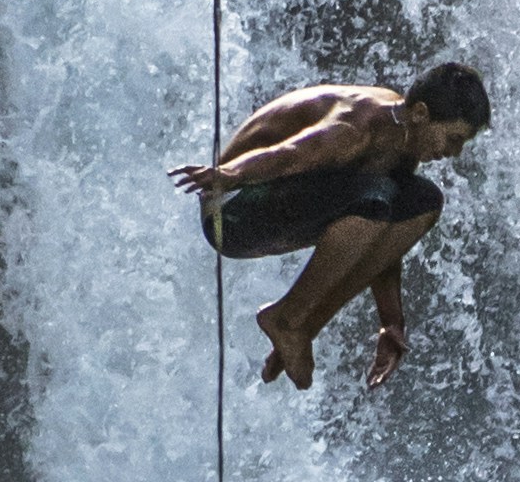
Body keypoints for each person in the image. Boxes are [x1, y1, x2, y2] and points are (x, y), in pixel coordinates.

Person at [170, 57, 490, 390]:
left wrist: (392, 321)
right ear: (421, 114)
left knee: (420, 201)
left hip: (279, 197)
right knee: (375, 197)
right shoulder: (355, 127)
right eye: (453, 139)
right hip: (232, 211)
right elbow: (290, 153)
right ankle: (287, 320)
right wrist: (228, 175)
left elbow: (385, 233)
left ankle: (301, 328)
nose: (454, 152)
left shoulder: (405, 137)